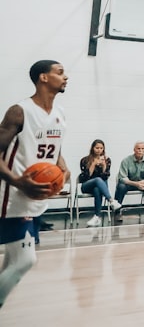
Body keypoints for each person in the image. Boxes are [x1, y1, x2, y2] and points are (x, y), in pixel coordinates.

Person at [0, 60, 69, 309]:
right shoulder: (19, 111)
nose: (66, 77)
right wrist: (16, 180)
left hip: (37, 199)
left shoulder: (60, 114)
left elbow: (54, 149)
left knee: (13, 259)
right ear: (43, 77)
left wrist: (62, 166)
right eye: (60, 72)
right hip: (13, 198)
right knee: (25, 261)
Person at [113, 141, 144, 222]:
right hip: (129, 183)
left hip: (142, 183)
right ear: (134, 149)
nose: (140, 150)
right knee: (120, 186)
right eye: (138, 148)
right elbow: (122, 177)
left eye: (142, 149)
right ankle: (117, 212)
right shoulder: (126, 160)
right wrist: (136, 184)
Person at [78, 139, 121, 227]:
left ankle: (96, 217)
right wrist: (93, 164)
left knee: (97, 189)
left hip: (100, 187)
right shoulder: (85, 160)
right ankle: (111, 200)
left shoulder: (107, 159)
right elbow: (85, 177)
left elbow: (105, 177)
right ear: (92, 148)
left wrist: (104, 166)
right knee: (97, 180)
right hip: (86, 185)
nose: (99, 150)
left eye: (101, 148)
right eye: (97, 148)